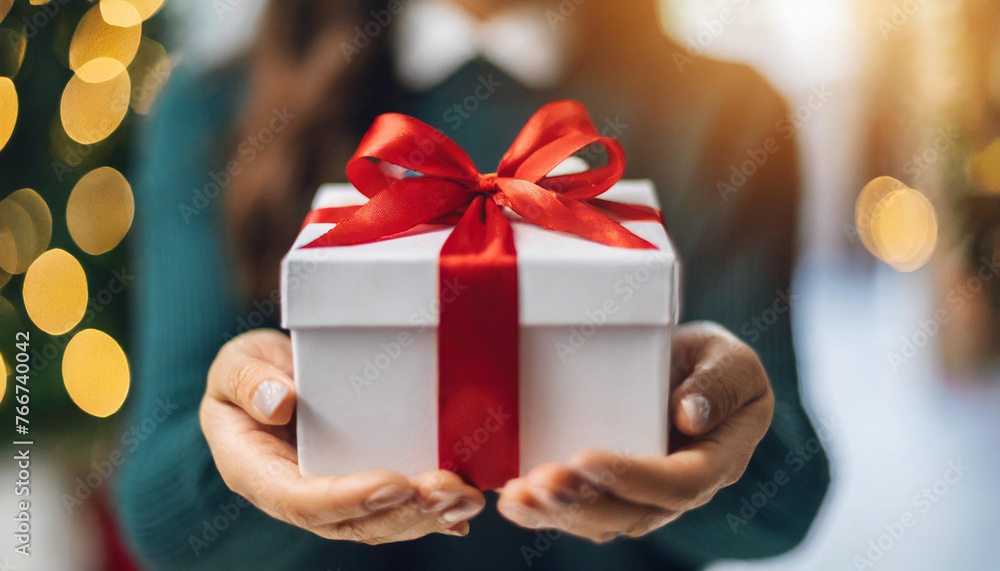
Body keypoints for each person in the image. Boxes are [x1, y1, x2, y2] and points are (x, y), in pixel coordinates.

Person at [117, 0, 830, 568]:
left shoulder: (727, 113)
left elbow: (787, 499)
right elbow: (157, 511)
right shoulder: (215, 110)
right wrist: (248, 447)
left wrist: (722, 433)